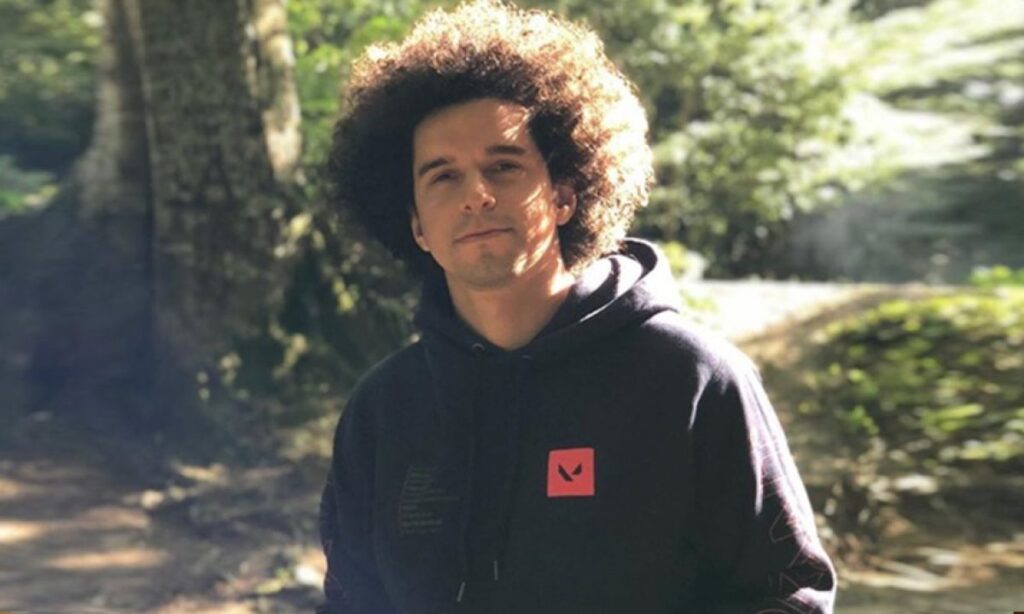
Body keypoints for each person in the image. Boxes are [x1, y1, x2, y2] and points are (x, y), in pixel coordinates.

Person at [317, 1, 837, 612]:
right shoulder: (384, 410)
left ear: (564, 195)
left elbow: (788, 593)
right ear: (416, 226)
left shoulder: (691, 378)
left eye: (503, 166)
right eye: (443, 176)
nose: (476, 195)